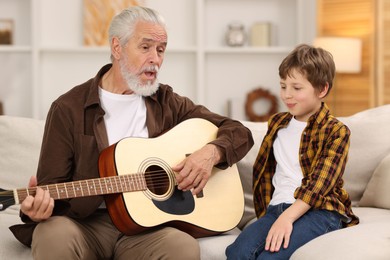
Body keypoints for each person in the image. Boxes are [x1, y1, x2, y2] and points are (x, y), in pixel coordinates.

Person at [9, 6, 254, 260]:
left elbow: (240, 132)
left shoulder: (167, 102)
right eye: (145, 47)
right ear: (117, 47)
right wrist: (36, 211)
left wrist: (211, 153)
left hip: (147, 230)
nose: (155, 59)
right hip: (86, 225)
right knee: (51, 234)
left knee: (181, 246)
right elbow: (50, 187)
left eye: (161, 50)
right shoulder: (67, 108)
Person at [225, 44, 359, 259]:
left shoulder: (336, 131)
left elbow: (319, 184)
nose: (287, 95)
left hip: (319, 211)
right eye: (283, 86)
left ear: (322, 89)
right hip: (276, 207)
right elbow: (265, 172)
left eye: (297, 88)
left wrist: (287, 218)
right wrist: (275, 215)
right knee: (236, 253)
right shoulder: (277, 122)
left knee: (270, 257)